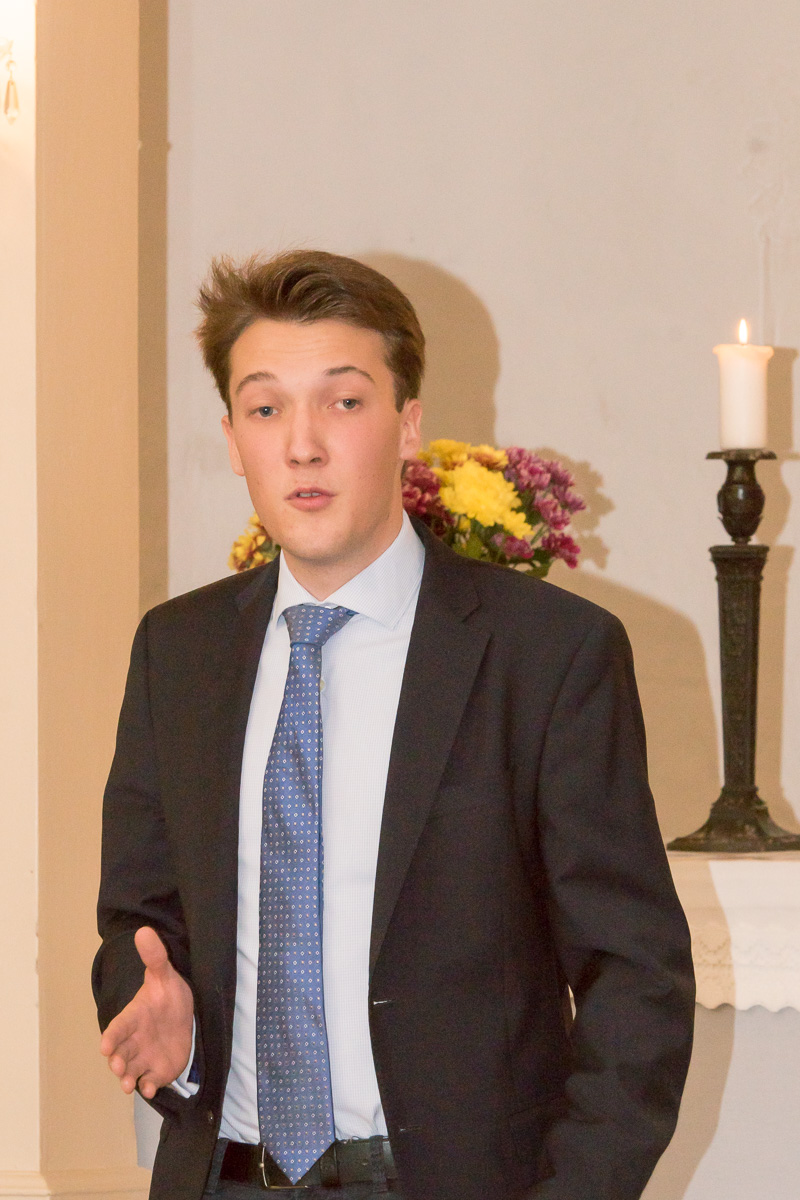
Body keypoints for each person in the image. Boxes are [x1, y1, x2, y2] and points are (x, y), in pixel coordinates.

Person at [93, 250, 695, 1200]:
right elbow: (138, 918)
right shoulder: (179, 651)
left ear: (408, 424)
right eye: (265, 408)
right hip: (223, 1175)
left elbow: (636, 976)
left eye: (343, 402)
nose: (302, 445)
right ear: (233, 437)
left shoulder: (548, 654)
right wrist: (151, 1003)